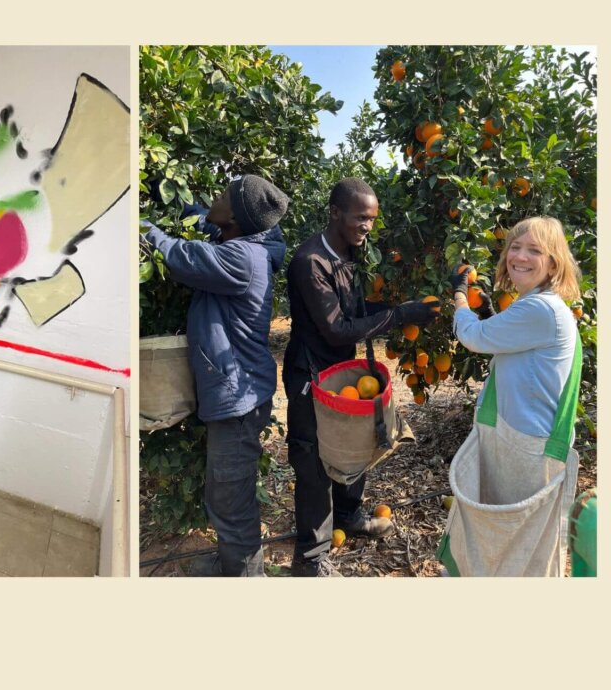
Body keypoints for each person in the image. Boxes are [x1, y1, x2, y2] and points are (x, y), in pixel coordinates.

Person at [283, 177, 437, 576]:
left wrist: (401, 305)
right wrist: (400, 316)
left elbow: (354, 308)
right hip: (310, 372)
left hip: (342, 369)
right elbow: (337, 327)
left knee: (354, 442)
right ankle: (311, 558)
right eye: (360, 218)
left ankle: (348, 515)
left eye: (372, 219)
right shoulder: (310, 262)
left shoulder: (351, 252)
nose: (367, 226)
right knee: (314, 459)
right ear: (335, 213)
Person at [142, 175, 289, 577]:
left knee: (230, 499)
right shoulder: (242, 239)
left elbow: (178, 254)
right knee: (225, 492)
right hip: (237, 393)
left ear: (237, 218)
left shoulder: (241, 259)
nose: (215, 198)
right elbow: (202, 215)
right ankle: (231, 562)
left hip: (236, 399)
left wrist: (140, 226)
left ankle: (244, 577)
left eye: (224, 195)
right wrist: (168, 187)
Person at [450, 215, 580, 487]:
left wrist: (460, 296)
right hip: (524, 435)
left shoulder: (539, 309)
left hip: (527, 443)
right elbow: (514, 348)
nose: (520, 256)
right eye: (515, 246)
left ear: (553, 263)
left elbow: (474, 337)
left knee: (513, 525)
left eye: (535, 250)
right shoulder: (538, 304)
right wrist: (488, 313)